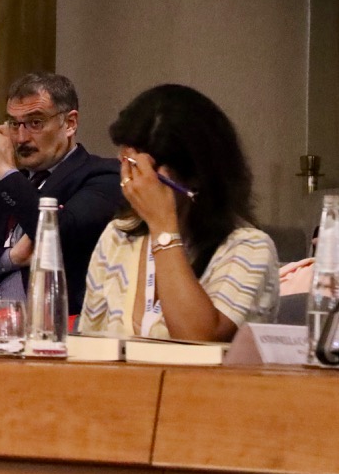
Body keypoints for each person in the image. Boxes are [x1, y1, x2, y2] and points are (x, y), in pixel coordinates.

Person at [79, 84, 278, 341]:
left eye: (144, 172)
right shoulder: (118, 236)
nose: (133, 183)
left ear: (195, 177)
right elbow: (88, 344)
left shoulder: (249, 248)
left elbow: (198, 340)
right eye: (128, 166)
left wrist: (163, 228)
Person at [0, 73, 123, 314]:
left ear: (70, 123)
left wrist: (6, 170)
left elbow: (58, 233)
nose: (21, 138)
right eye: (14, 124)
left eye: (35, 123)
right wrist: (11, 258)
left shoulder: (103, 176)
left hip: (52, 327)